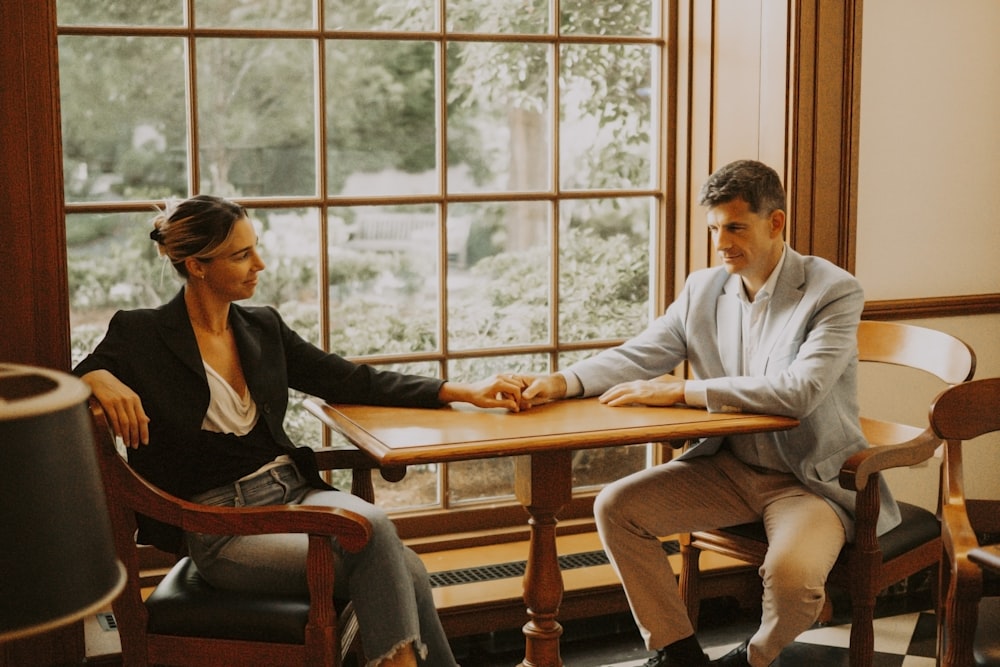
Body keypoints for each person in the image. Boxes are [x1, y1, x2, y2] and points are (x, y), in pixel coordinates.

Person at [74, 194, 525, 667]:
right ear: (197, 266)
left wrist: (461, 390)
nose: (260, 264)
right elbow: (65, 382)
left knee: (395, 557)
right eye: (241, 255)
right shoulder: (141, 334)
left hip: (291, 492)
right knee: (378, 539)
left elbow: (351, 379)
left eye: (255, 248)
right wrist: (96, 376)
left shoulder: (262, 327)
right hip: (220, 528)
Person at [513, 160, 901, 667]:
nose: (722, 243)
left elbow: (800, 391)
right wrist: (561, 382)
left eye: (736, 227)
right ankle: (678, 654)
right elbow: (640, 354)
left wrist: (683, 393)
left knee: (792, 580)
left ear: (776, 222)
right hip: (729, 467)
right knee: (616, 508)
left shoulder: (832, 290)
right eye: (715, 228)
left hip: (810, 480)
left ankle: (753, 659)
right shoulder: (704, 289)